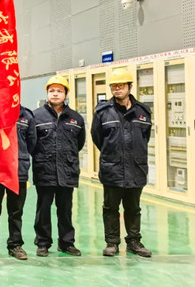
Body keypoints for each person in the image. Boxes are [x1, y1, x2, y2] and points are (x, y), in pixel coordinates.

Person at [91, 68, 152, 258]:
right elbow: (97, 137)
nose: (117, 89)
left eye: (121, 85)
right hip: (112, 168)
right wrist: (112, 154)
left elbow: (145, 137)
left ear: (129, 87)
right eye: (114, 86)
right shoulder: (103, 112)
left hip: (136, 167)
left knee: (133, 208)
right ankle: (112, 243)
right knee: (110, 207)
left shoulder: (143, 111)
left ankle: (134, 242)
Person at [31, 75, 85, 257]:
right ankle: (43, 243)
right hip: (44, 170)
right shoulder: (36, 116)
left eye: (59, 91)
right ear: (47, 93)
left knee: (65, 210)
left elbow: (79, 143)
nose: (55, 94)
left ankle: (66, 243)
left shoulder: (76, 118)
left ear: (66, 94)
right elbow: (31, 142)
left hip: (67, 171)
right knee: (43, 209)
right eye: (52, 91)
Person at [0, 106, 36, 260]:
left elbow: (32, 143)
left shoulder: (26, 115)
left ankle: (15, 245)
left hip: (18, 170)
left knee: (16, 211)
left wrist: (19, 157)